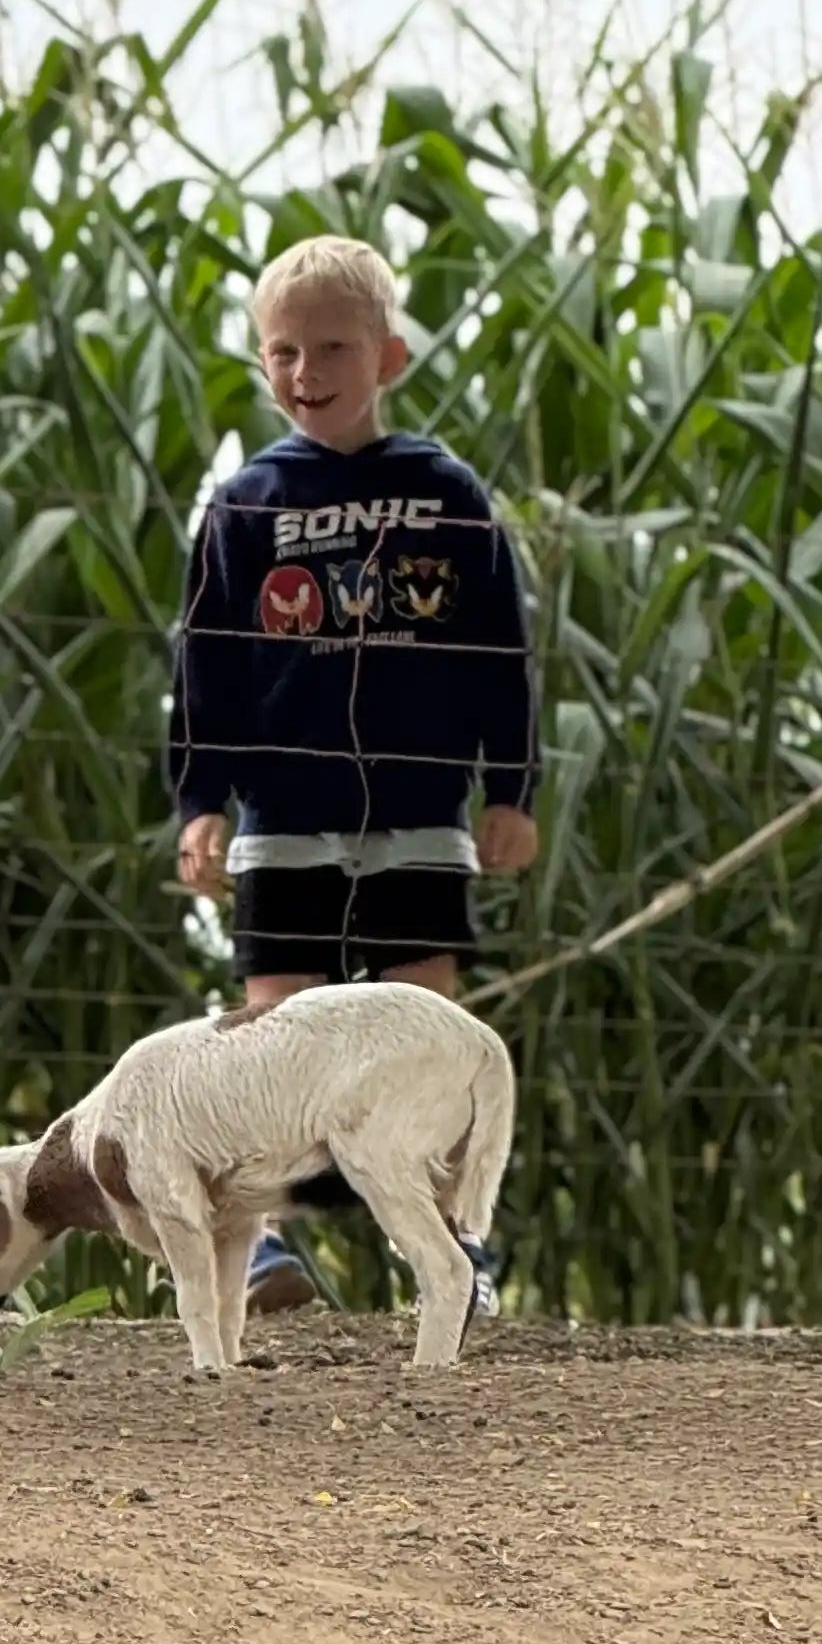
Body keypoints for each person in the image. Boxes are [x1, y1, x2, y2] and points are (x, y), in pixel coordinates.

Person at [168, 234, 539, 1314]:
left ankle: (449, 1252)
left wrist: (509, 788)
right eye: (279, 352)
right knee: (273, 1032)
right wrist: (197, 800)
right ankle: (265, 1241)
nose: (303, 372)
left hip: (422, 813)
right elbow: (205, 662)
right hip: (281, 815)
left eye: (330, 346)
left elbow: (498, 651)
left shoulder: (445, 492)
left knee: (424, 1037)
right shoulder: (242, 502)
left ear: (390, 357)